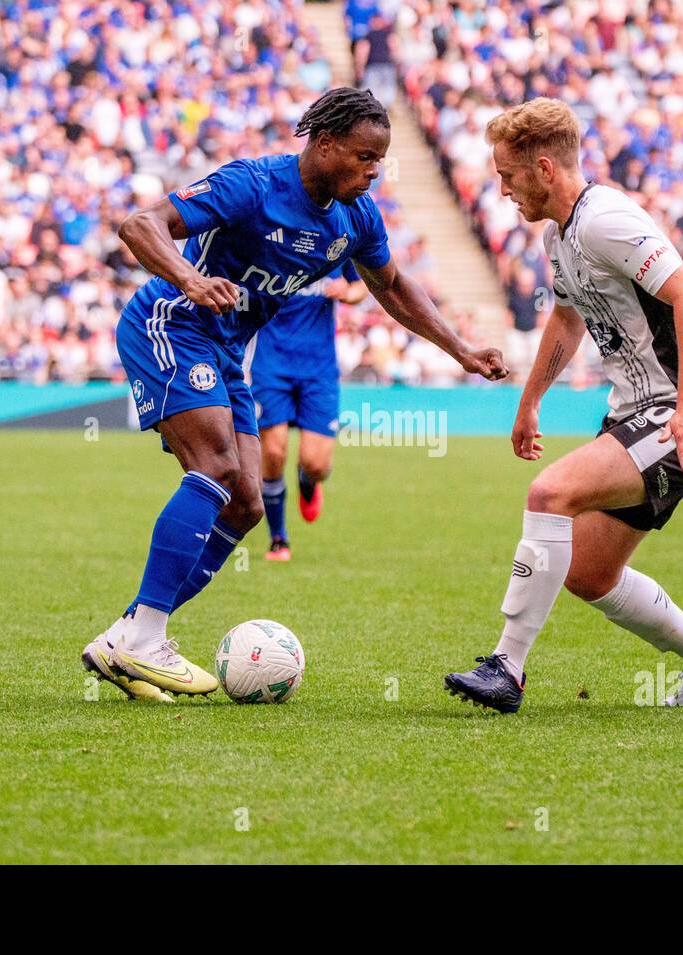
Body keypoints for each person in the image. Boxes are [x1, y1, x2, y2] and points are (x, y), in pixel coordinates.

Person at [81, 87, 508, 701]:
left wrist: (461, 349)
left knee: (247, 504)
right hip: (172, 322)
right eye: (364, 157)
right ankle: (144, 636)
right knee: (218, 467)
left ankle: (129, 635)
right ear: (324, 143)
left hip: (228, 350)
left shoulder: (356, 216)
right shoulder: (251, 185)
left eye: (379, 161)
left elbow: (391, 285)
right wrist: (192, 279)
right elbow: (139, 225)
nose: (372, 172)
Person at [443, 99, 683, 713]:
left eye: (508, 175)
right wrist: (529, 400)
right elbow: (566, 318)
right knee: (587, 572)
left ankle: (506, 668)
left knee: (548, 494)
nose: (502, 189)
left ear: (544, 168)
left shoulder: (606, 219)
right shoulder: (558, 234)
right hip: (638, 413)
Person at [247, 262, 366, 562]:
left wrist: (349, 293)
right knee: (273, 453)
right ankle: (278, 539)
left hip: (319, 370)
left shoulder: (335, 242)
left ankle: (307, 480)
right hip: (270, 365)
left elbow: (362, 285)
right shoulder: (270, 238)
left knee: (317, 464)